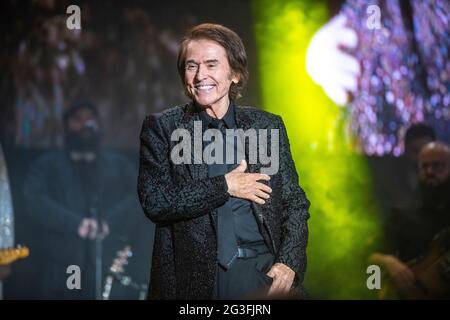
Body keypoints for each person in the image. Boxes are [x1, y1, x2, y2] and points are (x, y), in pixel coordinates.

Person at [138, 23, 310, 300]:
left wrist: (289, 263)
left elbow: (294, 204)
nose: (200, 75)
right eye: (191, 66)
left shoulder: (266, 127)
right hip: (195, 281)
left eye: (211, 64)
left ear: (236, 74)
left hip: (262, 274)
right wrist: (225, 186)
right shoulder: (164, 128)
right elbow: (156, 201)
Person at [23, 100, 145, 299]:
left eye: (90, 119)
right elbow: (35, 201)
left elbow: (141, 195)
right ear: (67, 125)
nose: (86, 125)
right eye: (78, 120)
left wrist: (108, 222)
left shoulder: (117, 165)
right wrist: (75, 224)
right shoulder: (47, 166)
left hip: (110, 264)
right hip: (62, 267)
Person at [369, 141, 450, 297]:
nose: (429, 171)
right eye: (424, 166)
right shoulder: (401, 217)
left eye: (438, 166)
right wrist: (387, 263)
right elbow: (369, 261)